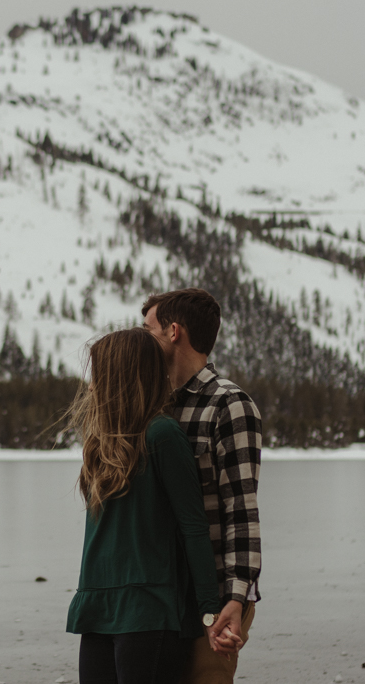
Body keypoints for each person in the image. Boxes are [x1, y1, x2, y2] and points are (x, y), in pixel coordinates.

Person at [64, 328, 237, 684]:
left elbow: (193, 526)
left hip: (149, 612)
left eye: (100, 372)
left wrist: (208, 611)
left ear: (121, 375)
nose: (94, 383)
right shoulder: (100, 441)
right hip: (97, 607)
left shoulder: (162, 434)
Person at [141, 288, 262, 684]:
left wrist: (236, 597)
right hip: (159, 596)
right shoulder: (151, 404)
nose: (140, 339)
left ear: (173, 332)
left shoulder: (228, 404)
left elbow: (241, 510)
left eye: (148, 329)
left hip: (213, 596)